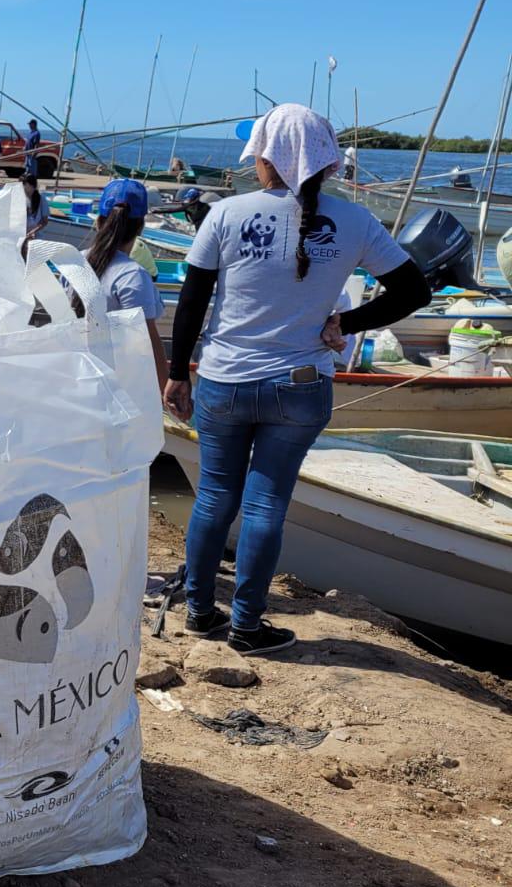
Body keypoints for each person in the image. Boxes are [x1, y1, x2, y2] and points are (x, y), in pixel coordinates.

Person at [163, 103, 431, 655]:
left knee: (214, 497)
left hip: (225, 380)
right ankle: (246, 625)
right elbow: (414, 292)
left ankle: (197, 610)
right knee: (265, 505)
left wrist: (176, 373)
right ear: (324, 161)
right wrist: (346, 323)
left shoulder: (225, 214)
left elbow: (190, 303)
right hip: (301, 384)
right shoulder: (355, 221)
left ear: (267, 158)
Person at [83, 180, 166, 389]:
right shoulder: (133, 275)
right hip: (120, 386)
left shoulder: (77, 262)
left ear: (98, 222)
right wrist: (165, 391)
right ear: (141, 227)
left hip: (80, 376)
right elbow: (146, 341)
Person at [21, 173, 49, 240]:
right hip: (20, 235)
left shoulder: (41, 199)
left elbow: (45, 221)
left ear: (32, 185)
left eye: (24, 185)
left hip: (36, 236)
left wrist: (32, 232)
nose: (21, 187)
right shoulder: (19, 197)